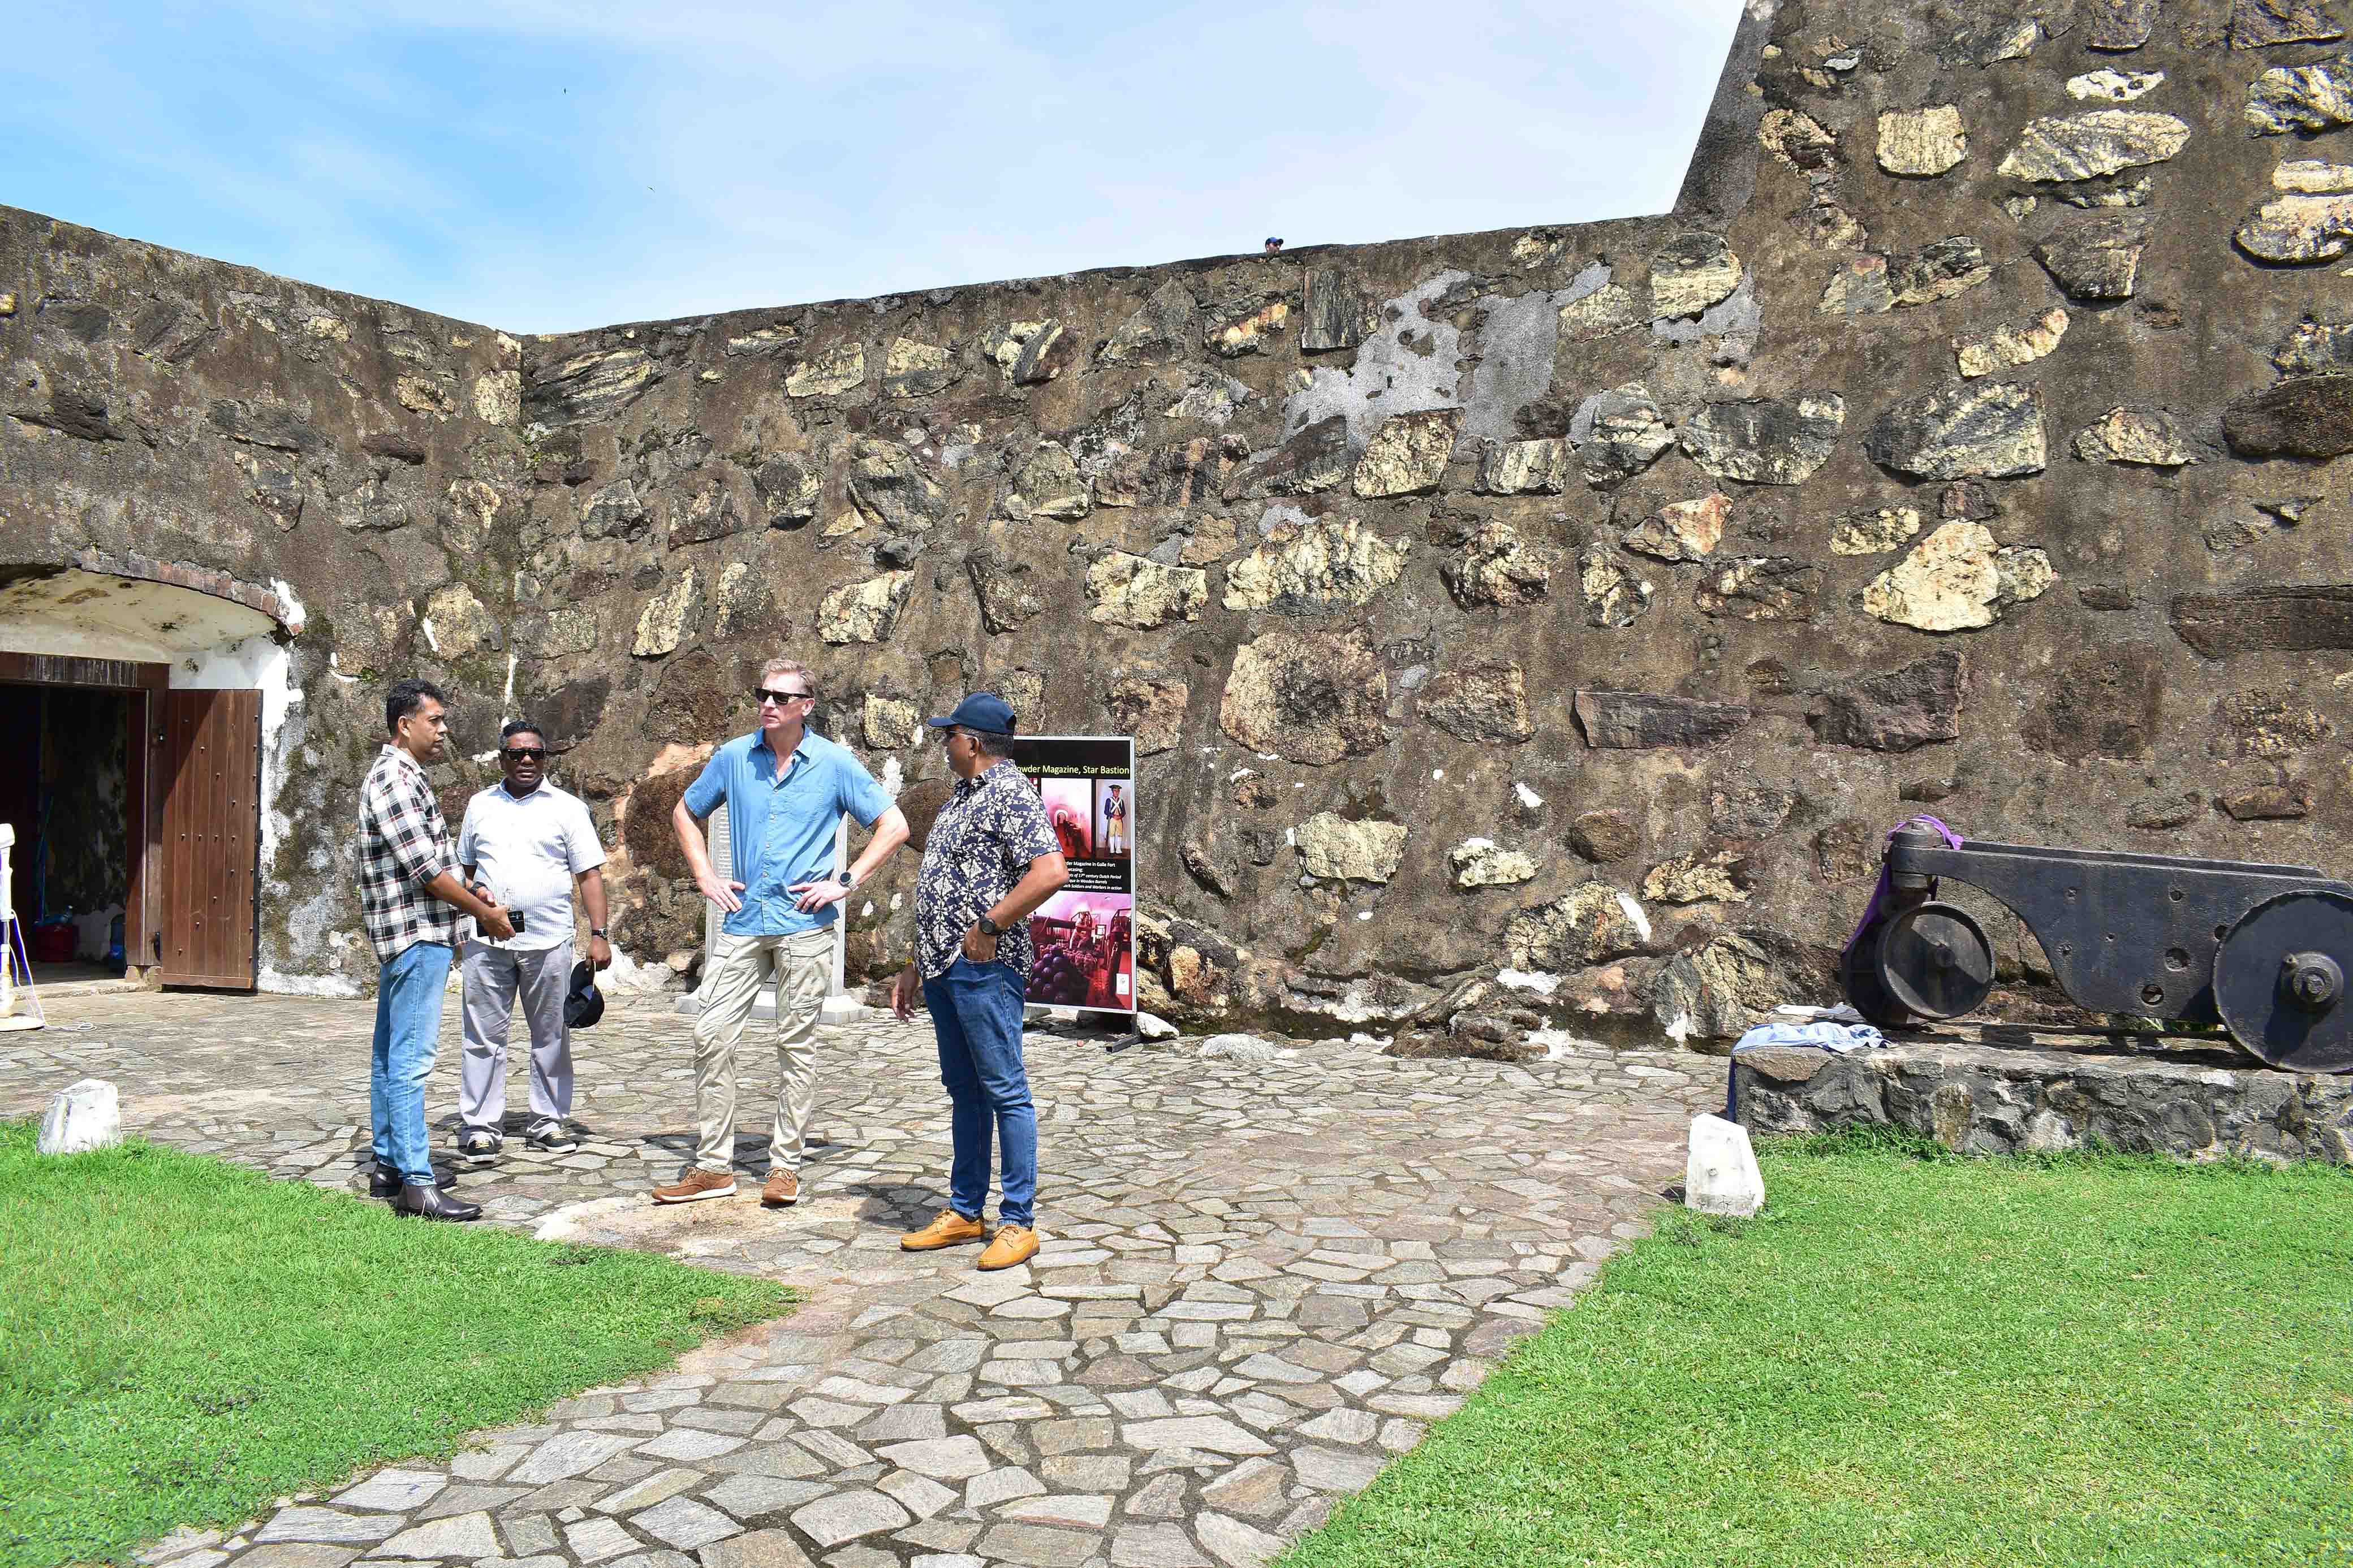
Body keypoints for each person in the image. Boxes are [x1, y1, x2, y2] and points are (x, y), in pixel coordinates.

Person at [658, 658, 910, 1207]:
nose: (767, 704)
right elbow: (683, 813)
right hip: (744, 920)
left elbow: (894, 825)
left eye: (780, 696)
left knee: (795, 1046)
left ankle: (785, 1166)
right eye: (762, 694)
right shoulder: (733, 757)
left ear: (806, 706)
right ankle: (713, 1167)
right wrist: (704, 874)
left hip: (804, 926)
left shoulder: (835, 763)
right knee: (711, 1035)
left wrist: (845, 881)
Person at [894, 693, 1068, 1271]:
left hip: (985, 967)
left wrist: (990, 924)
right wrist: (916, 962)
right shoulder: (962, 798)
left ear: (971, 742)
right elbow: (943, 885)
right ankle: (966, 1210)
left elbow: (1050, 871)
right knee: (965, 1090)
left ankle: (1018, 1221)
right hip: (945, 966)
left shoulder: (1011, 793)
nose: (943, 743)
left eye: (948, 735)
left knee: (1004, 1090)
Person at [357, 679, 515, 1221]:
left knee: (389, 1055)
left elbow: (434, 863)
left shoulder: (403, 777)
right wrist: (484, 914)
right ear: (406, 725)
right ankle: (417, 1185)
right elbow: (426, 872)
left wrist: (473, 891)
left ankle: (390, 1164)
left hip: (410, 935)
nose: (444, 729)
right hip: (416, 936)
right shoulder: (395, 779)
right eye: (435, 720)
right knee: (411, 1060)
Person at [452, 721, 611, 1165]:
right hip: (487, 941)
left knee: (552, 1035)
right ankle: (481, 1127)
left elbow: (589, 876)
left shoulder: (568, 808)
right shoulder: (479, 805)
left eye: (536, 754)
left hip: (549, 940)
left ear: (545, 758)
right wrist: (476, 895)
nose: (527, 760)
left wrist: (599, 935)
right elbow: (465, 870)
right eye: (517, 753)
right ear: (501, 758)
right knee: (483, 1036)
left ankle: (548, 1121)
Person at [1101, 784, 1127, 856]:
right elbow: (1106, 811)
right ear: (1112, 791)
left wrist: (1120, 816)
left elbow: (1124, 812)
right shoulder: (1109, 800)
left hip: (1119, 819)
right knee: (1112, 834)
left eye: (1118, 791)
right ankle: (1112, 850)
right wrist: (1113, 816)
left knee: (1120, 834)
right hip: (1112, 819)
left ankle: (1118, 850)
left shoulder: (1121, 801)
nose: (1117, 792)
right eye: (1115, 791)